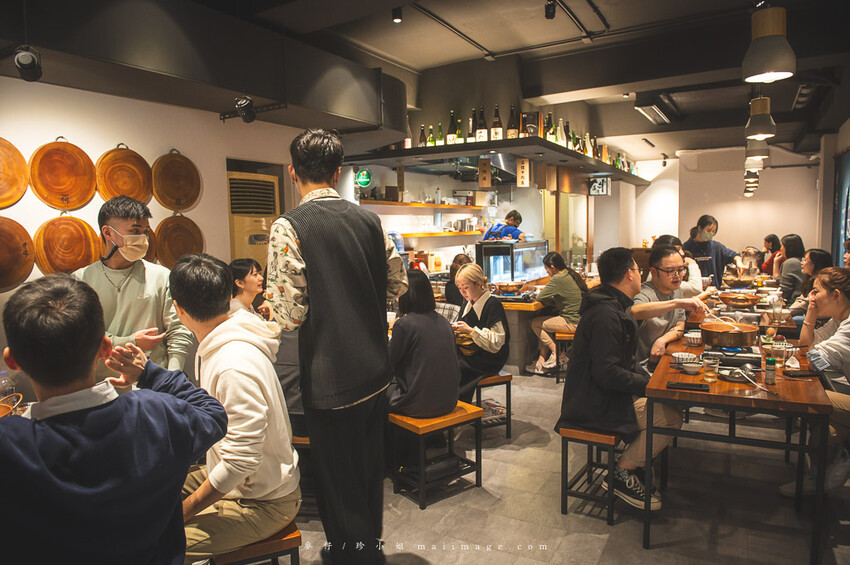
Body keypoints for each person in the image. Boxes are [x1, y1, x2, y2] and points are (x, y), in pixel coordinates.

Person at [0, 274, 226, 564]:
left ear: (12, 360)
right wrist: (149, 372)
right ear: (105, 348)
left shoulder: (10, 445)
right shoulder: (156, 414)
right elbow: (212, 413)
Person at [266, 129, 407, 565]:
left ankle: (352, 558)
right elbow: (397, 284)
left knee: (336, 482)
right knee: (366, 474)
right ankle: (368, 549)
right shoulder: (369, 220)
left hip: (329, 378)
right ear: (339, 171)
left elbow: (289, 314)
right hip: (374, 370)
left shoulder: (289, 225)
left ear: (293, 173)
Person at [168, 254, 301, 562]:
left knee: (156, 544)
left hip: (265, 501)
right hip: (241, 481)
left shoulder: (232, 365)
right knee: (149, 490)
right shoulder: (223, 339)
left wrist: (184, 513)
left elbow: (241, 462)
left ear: (179, 309)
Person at [556, 247, 683, 511]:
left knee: (665, 408)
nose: (641, 274)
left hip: (602, 398)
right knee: (669, 416)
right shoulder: (606, 314)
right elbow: (608, 373)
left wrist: (645, 382)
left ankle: (630, 466)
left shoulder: (613, 307)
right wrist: (649, 385)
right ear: (628, 274)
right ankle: (622, 471)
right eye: (638, 270)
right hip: (591, 406)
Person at [74, 196, 193, 381]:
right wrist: (131, 341)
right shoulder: (82, 279)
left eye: (145, 231)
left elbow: (178, 330)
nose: (143, 238)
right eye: (135, 231)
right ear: (108, 233)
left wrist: (172, 377)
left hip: (152, 383)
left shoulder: (161, 276)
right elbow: (80, 337)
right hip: (100, 385)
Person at [780, 267, 850, 496]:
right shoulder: (840, 319)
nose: (811, 296)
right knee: (825, 429)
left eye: (815, 292)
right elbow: (805, 347)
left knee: (808, 397)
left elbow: (813, 361)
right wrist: (811, 312)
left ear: (836, 295)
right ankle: (819, 479)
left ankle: (826, 475)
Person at [388, 269, 461, 418]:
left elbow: (389, 363)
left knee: (375, 393)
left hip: (419, 404)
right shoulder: (444, 321)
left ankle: (393, 441)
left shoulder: (404, 324)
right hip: (450, 400)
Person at [632, 246, 708, 374]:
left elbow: (680, 325)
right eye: (670, 271)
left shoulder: (676, 289)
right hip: (643, 368)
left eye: (680, 269)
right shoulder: (645, 292)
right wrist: (676, 303)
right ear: (654, 272)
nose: (677, 275)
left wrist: (662, 340)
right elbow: (635, 312)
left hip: (665, 358)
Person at [453, 263, 510, 403]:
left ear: (479, 284)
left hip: (491, 358)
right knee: (443, 362)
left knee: (455, 368)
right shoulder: (467, 302)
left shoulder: (493, 304)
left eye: (466, 288)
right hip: (471, 353)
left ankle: (458, 409)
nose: (463, 292)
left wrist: (471, 331)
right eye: (459, 288)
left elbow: (497, 342)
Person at [526, 252, 586, 374]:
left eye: (546, 269)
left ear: (552, 268)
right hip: (580, 319)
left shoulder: (558, 278)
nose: (546, 272)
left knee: (535, 323)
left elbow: (541, 297)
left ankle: (558, 355)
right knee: (542, 322)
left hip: (572, 322)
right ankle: (544, 358)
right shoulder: (568, 273)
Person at [682, 214, 745, 288]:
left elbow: (734, 255)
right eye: (708, 230)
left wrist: (739, 262)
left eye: (713, 232)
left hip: (713, 290)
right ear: (699, 228)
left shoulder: (717, 247)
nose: (710, 234)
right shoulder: (686, 247)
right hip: (693, 291)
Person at [648, 235, 716, 299]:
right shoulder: (659, 275)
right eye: (678, 249)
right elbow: (696, 289)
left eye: (680, 270)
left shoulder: (677, 291)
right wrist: (692, 263)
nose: (682, 253)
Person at [789, 249, 832, 321]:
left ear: (815, 264)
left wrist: (786, 313)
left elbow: (805, 303)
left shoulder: (821, 281)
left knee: (794, 320)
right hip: (807, 313)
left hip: (820, 319)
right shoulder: (810, 278)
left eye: (805, 260)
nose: (802, 263)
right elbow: (802, 298)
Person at [774, 233, 806, 303]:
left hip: (793, 302)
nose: (780, 248)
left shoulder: (791, 263)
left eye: (782, 246)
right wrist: (776, 262)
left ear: (788, 248)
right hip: (801, 301)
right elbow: (778, 280)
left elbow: (785, 291)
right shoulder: (801, 260)